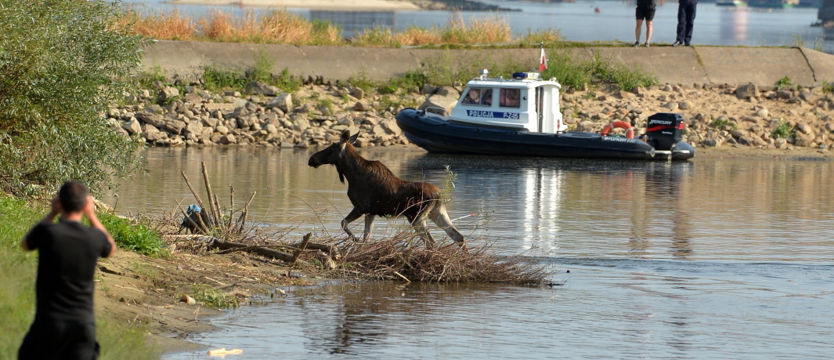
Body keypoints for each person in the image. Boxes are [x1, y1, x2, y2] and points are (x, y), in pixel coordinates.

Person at [18, 181, 116, 360]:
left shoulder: (48, 232)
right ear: (85, 204)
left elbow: (25, 243)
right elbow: (110, 249)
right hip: (83, 323)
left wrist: (52, 212)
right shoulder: (94, 237)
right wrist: (92, 215)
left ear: (59, 203)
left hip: (49, 321)